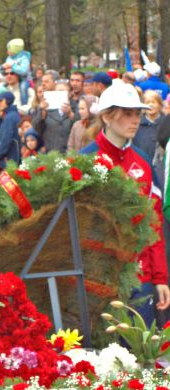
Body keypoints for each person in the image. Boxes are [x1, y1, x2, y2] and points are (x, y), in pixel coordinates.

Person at [80, 79, 170, 326]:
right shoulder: (85, 160)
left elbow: (154, 224)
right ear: (107, 117)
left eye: (138, 113)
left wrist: (160, 278)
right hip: (97, 278)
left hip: (140, 279)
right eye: (127, 113)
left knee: (141, 356)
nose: (136, 120)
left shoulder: (142, 162)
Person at [32, 82, 73, 153]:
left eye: (62, 91)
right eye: (57, 92)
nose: (59, 94)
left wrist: (71, 114)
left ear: (69, 94)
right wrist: (42, 113)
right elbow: (36, 128)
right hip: (52, 152)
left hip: (71, 153)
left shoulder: (76, 108)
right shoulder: (47, 108)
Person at [133, 90, 164, 161]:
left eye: (153, 102)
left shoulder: (165, 124)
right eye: (147, 102)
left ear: (159, 104)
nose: (150, 105)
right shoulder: (137, 124)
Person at [0, 91, 21, 169]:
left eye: (0, 101)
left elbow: (6, 139)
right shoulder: (9, 115)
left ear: (7, 101)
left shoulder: (10, 118)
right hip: (11, 157)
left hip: (10, 158)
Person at [2, 38, 32, 106]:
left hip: (24, 79)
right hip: (12, 79)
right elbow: (6, 69)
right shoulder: (9, 58)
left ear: (15, 50)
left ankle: (24, 104)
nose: (7, 51)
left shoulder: (24, 58)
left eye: (9, 50)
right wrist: (3, 67)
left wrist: (12, 66)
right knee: (2, 87)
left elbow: (24, 71)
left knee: (23, 87)